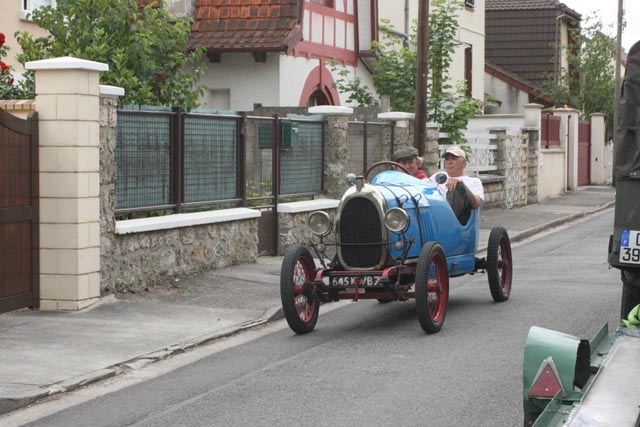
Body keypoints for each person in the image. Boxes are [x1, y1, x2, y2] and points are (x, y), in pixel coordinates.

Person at [432, 145, 484, 225]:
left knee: (458, 187)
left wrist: (462, 185)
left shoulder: (474, 181)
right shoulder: (439, 176)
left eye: (453, 159)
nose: (449, 162)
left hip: (459, 221)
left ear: (464, 162)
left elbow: (476, 203)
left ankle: (447, 224)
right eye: (447, 159)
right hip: (435, 217)